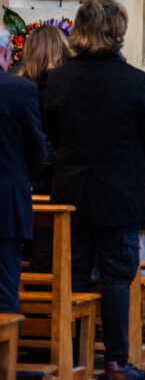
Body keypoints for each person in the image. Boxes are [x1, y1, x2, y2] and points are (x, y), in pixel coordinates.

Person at [45, 0, 145, 380]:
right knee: (116, 278)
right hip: (121, 194)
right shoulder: (134, 81)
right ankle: (115, 361)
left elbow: (53, 133)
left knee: (73, 275)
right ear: (118, 33)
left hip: (71, 193)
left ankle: (72, 355)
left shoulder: (60, 78)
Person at [0, 26, 47, 314]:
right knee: (5, 287)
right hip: (7, 199)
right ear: (6, 52)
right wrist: (25, 178)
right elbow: (36, 149)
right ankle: (6, 358)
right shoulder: (20, 90)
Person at [20, 25, 71, 274]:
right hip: (59, 176)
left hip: (28, 175)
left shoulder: (19, 88)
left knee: (35, 244)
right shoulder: (64, 90)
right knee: (50, 243)